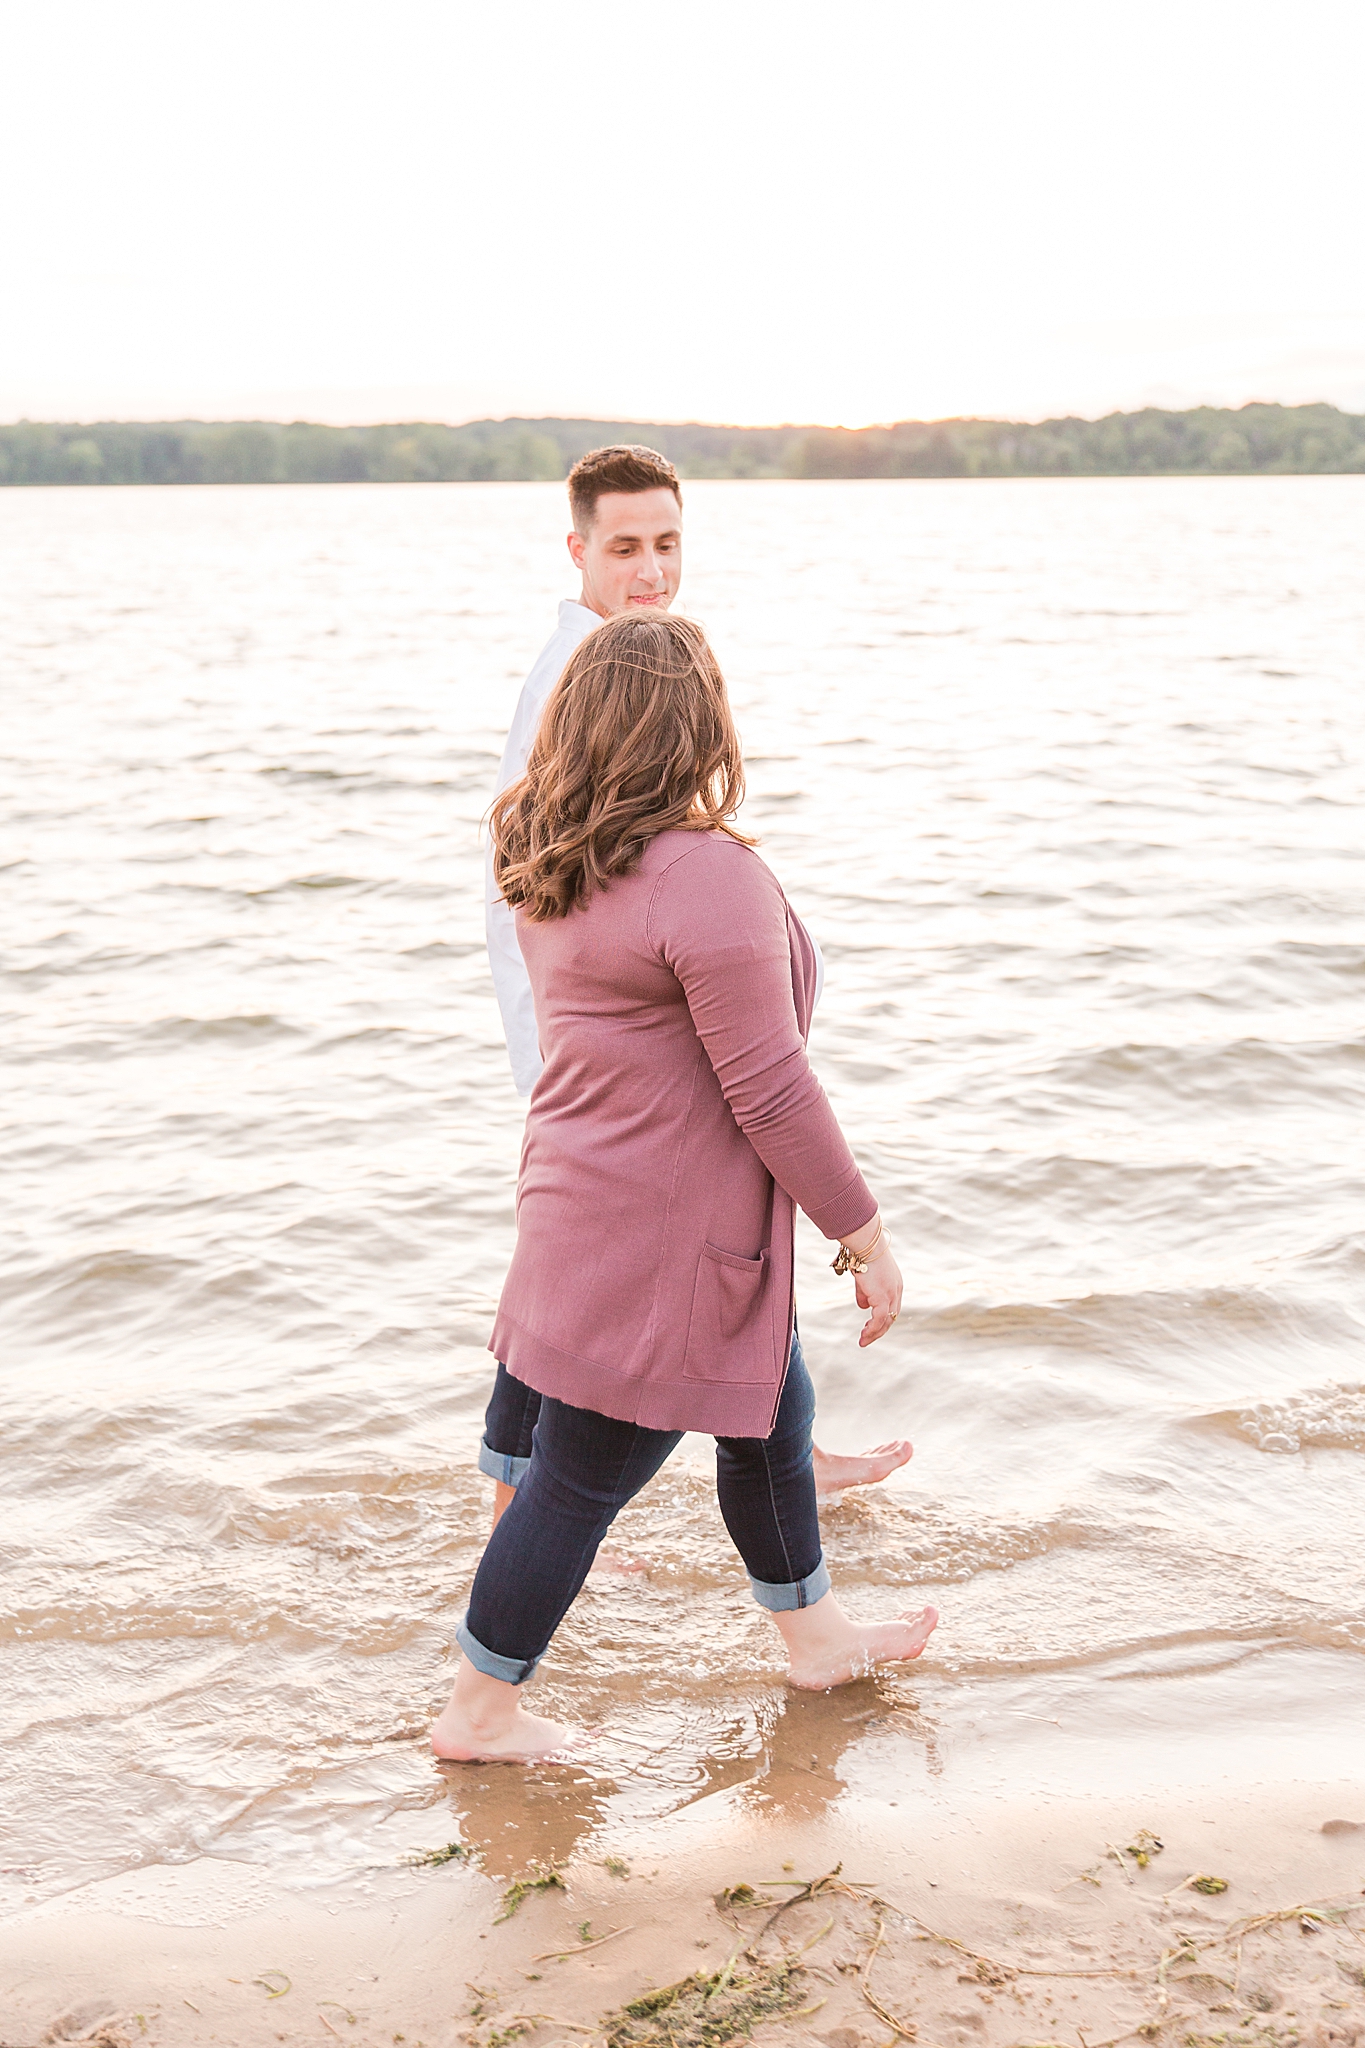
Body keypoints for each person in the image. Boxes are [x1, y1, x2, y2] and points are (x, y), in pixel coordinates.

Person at [434, 611, 938, 1762]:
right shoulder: (704, 877)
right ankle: (478, 1710)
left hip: (579, 1197)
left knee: (770, 1409)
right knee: (582, 1476)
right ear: (697, 726)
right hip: (664, 1237)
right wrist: (863, 1233)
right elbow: (771, 1089)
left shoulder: (546, 854)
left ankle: (812, 1634)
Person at [480, 444, 912, 1530]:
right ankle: (516, 1504)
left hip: (613, 1035)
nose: (652, 569)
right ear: (577, 549)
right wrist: (561, 1061)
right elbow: (534, 884)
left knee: (604, 1278)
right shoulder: (581, 679)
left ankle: (783, 1454)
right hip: (594, 1045)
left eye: (667, 545)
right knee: (589, 1310)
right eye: (625, 547)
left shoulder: (638, 656)